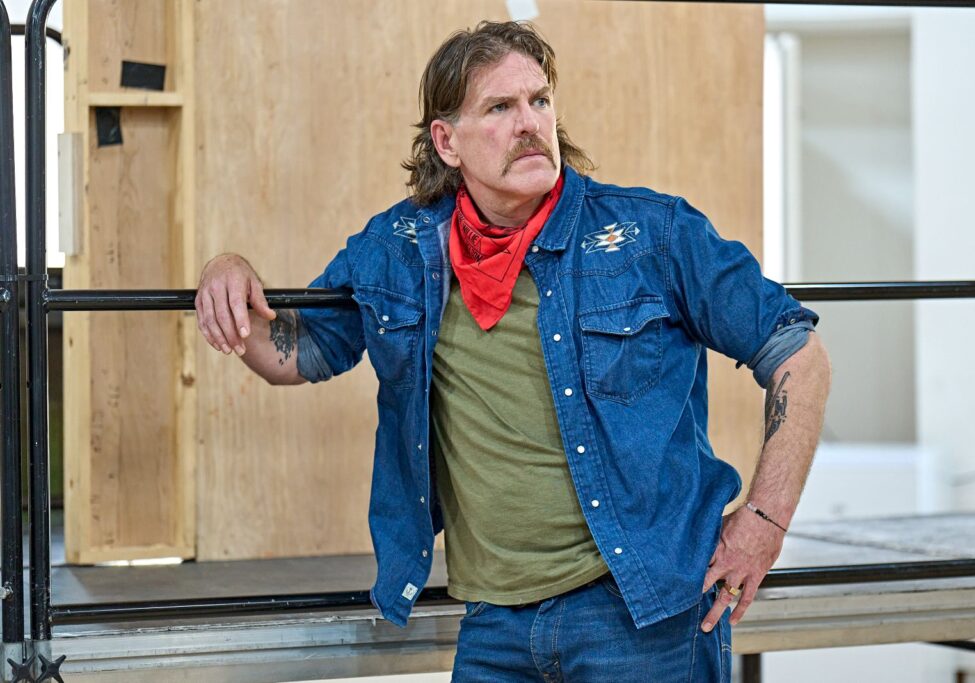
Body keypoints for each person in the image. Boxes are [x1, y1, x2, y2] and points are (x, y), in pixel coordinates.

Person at [195, 20, 831, 682]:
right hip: (495, 627)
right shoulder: (399, 249)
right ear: (447, 141)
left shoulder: (653, 233)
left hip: (642, 619)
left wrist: (765, 520)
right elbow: (293, 355)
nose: (530, 123)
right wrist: (226, 273)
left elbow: (800, 355)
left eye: (539, 100)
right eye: (500, 107)